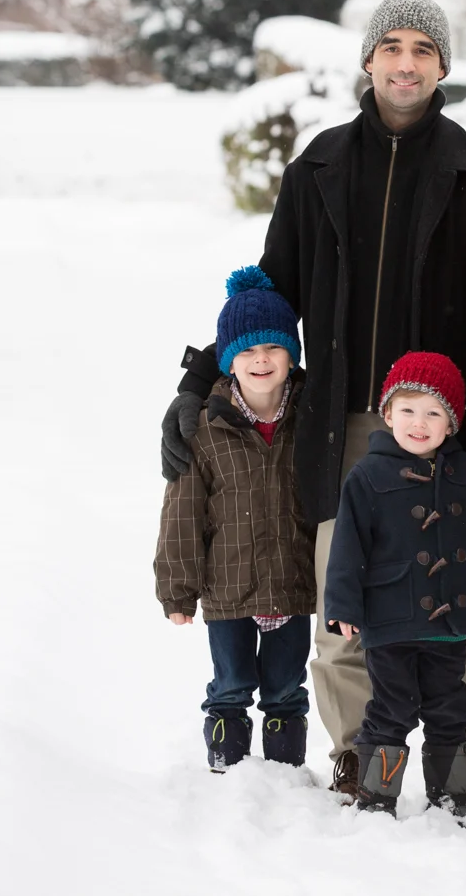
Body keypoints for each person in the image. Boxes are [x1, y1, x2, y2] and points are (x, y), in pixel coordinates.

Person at [157, 0, 466, 801]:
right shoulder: (319, 169)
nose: (405, 62)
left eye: (422, 49)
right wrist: (201, 377)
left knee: (457, 617)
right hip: (343, 432)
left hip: (442, 432)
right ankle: (367, 757)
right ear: (368, 61)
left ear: (441, 66)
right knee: (345, 613)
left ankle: (464, 761)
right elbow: (271, 295)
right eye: (391, 46)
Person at [324, 352, 466, 816]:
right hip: (390, 622)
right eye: (408, 409)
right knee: (390, 710)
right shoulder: (367, 476)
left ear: (451, 424)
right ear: (387, 413)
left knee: (452, 710)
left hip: (449, 621)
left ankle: (451, 798)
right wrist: (344, 607)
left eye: (434, 413)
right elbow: (347, 549)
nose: (419, 422)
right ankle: (376, 796)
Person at [155, 266, 315, 771]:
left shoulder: (310, 422)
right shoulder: (205, 427)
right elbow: (181, 516)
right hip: (227, 590)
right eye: (246, 351)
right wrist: (177, 589)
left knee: (287, 687)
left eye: (272, 348)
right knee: (230, 684)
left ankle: (286, 775)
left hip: (293, 583)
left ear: (291, 353)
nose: (261, 360)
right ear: (227, 360)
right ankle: (226, 766)